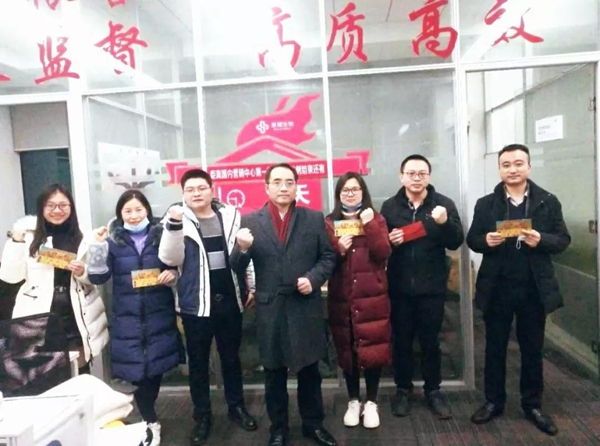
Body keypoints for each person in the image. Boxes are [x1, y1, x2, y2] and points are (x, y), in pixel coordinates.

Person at [231, 163, 337, 446]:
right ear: (266, 187)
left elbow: (328, 257)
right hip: (271, 307)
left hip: (305, 305)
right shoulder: (250, 221)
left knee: (310, 371)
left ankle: (313, 425)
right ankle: (278, 429)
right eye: (277, 182)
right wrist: (242, 248)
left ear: (296, 186)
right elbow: (236, 265)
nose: (283, 187)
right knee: (274, 372)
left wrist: (313, 279)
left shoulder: (313, 218)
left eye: (289, 182)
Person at [467, 144, 570, 436]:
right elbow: (473, 239)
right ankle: (493, 402)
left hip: (533, 289)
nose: (512, 169)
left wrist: (542, 240)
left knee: (532, 349)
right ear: (499, 169)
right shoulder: (486, 204)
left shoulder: (547, 201)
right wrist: (486, 240)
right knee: (494, 348)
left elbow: (563, 239)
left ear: (528, 166)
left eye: (518, 163)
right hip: (497, 287)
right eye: (506, 165)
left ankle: (532, 405)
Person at [158, 169, 258, 446]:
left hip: (230, 297)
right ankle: (202, 416)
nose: (196, 193)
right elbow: (170, 258)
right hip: (195, 302)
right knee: (199, 363)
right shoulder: (176, 218)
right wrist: (174, 224)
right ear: (183, 193)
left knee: (231, 358)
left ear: (212, 190)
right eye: (190, 189)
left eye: (201, 188)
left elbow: (244, 253)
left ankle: (236, 407)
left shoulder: (230, 215)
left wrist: (252, 285)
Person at [87, 189, 181, 446]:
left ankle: (148, 415)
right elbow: (97, 277)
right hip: (127, 317)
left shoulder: (161, 236)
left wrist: (173, 275)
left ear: (147, 210)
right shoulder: (112, 241)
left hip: (158, 313)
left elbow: (175, 264)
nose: (134, 215)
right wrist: (97, 247)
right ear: (120, 214)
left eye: (138, 209)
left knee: (156, 369)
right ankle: (150, 420)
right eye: (127, 211)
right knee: (137, 372)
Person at [380, 154, 464, 420]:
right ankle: (403, 389)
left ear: (428, 176)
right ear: (401, 176)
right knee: (402, 341)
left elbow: (456, 241)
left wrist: (444, 222)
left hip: (432, 288)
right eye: (411, 173)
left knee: (431, 341)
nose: (416, 178)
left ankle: (433, 390)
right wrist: (390, 241)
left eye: (422, 174)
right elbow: (379, 246)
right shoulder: (390, 207)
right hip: (399, 287)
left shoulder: (443, 204)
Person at [0, 183, 109, 373]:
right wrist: (15, 242)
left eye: (63, 205)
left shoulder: (85, 237)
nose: (57, 210)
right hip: (39, 317)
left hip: (75, 316)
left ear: (71, 207)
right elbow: (10, 277)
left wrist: (82, 271)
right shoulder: (28, 237)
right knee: (44, 375)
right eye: (50, 205)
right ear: (41, 208)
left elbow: (95, 278)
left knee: (78, 371)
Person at [325, 172, 392, 429]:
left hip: (372, 296)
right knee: (347, 348)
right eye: (345, 190)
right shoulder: (330, 222)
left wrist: (370, 224)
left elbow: (383, 252)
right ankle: (353, 400)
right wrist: (339, 249)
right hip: (342, 297)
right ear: (338, 194)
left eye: (355, 189)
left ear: (363, 192)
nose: (350, 194)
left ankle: (372, 402)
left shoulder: (376, 218)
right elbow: (324, 259)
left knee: (373, 348)